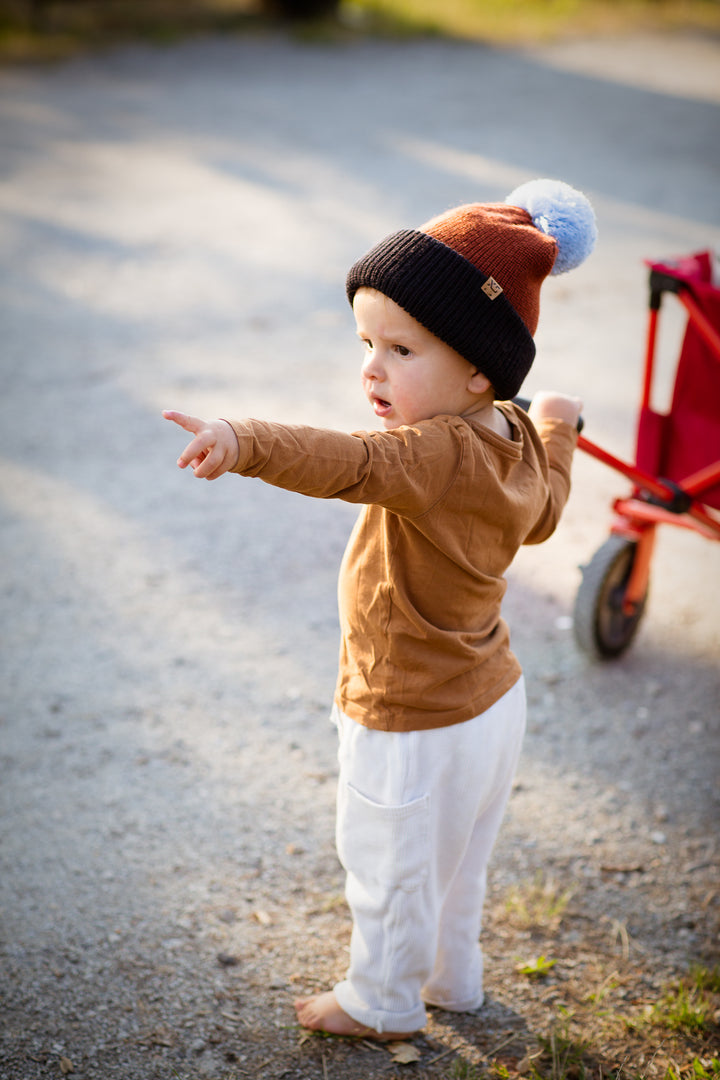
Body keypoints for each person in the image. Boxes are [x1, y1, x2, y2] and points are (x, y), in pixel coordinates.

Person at [163, 178, 596, 1041]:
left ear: (477, 364)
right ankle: (450, 978)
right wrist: (556, 427)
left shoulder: (431, 453)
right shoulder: (505, 434)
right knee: (455, 865)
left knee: (390, 866)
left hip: (413, 713)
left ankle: (380, 1002)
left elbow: (347, 461)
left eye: (401, 350)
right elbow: (547, 510)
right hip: (491, 699)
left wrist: (244, 440)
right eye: (367, 341)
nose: (371, 367)